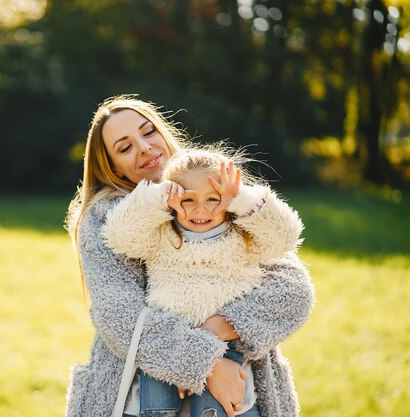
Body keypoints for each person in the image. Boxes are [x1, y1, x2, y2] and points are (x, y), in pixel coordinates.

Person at [64, 95, 314, 417]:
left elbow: (291, 289)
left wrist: (218, 327)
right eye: (125, 147)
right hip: (135, 398)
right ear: (113, 167)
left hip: (238, 393)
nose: (143, 147)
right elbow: (119, 314)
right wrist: (204, 361)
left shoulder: (217, 189)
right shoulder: (106, 216)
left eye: (148, 132)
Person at [101, 145, 304, 417]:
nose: (200, 209)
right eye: (187, 200)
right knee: (156, 409)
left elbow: (285, 237)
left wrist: (242, 199)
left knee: (213, 409)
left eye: (213, 199)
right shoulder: (162, 234)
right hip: (169, 341)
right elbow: (120, 237)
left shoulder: (243, 236)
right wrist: (157, 197)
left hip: (225, 345)